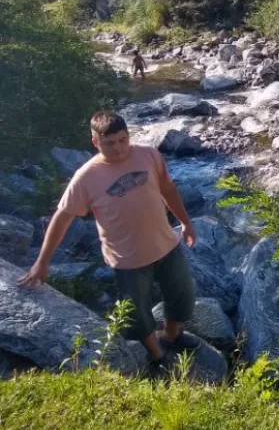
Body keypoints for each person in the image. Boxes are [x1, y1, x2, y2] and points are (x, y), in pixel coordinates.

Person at [19, 111, 198, 376]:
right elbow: (63, 218)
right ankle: (157, 354)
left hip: (166, 245)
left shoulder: (148, 154)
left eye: (123, 140)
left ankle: (171, 335)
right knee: (136, 313)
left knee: (182, 295)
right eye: (110, 143)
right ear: (95, 143)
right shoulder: (86, 177)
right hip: (127, 259)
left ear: (129, 136)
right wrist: (42, 261)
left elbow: (168, 189)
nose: (118, 148)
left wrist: (185, 222)